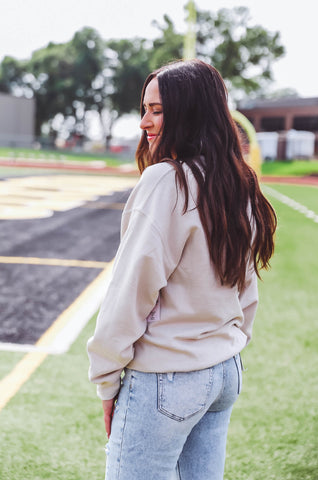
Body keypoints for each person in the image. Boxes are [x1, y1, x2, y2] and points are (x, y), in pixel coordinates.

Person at [87, 59, 277, 480]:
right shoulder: (238, 182)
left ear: (188, 111)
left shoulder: (164, 182)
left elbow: (130, 293)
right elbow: (247, 290)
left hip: (167, 377)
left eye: (156, 110)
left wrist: (106, 378)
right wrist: (225, 344)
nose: (144, 122)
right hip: (224, 370)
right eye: (145, 109)